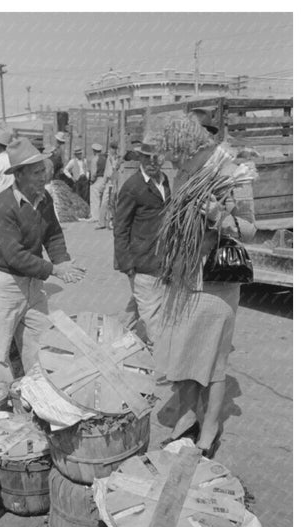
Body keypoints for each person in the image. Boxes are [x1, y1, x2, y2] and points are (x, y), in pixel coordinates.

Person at [152, 114, 257, 457]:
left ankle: (209, 430)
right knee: (183, 356)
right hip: (183, 278)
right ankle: (188, 421)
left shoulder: (232, 172)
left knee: (213, 364)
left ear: (189, 146)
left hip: (215, 284)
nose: (172, 162)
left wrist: (217, 216)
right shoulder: (184, 173)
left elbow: (252, 230)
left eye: (175, 155)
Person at [0, 137, 86, 383]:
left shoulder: (44, 198)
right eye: (37, 172)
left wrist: (64, 262)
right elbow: (15, 256)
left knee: (40, 340)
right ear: (19, 175)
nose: (43, 177)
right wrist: (54, 270)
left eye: (44, 171)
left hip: (32, 283)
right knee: (0, 351)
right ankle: (4, 403)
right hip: (3, 283)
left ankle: (37, 394)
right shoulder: (3, 206)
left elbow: (53, 233)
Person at [113, 142, 171, 353]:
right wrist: (126, 264)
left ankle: (114, 345)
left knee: (139, 306)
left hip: (160, 260)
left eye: (156, 158)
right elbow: (120, 227)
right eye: (146, 158)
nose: (151, 163)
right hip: (141, 261)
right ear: (140, 158)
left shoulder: (164, 183)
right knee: (153, 317)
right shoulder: (132, 187)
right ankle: (160, 362)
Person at [97, 141, 120, 229]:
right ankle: (102, 222)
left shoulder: (116, 159)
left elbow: (108, 173)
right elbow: (107, 173)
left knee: (110, 202)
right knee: (107, 202)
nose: (112, 150)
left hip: (113, 182)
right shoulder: (110, 159)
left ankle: (110, 221)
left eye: (113, 149)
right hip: (110, 182)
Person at [88, 143, 107, 222]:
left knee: (94, 198)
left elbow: (94, 172)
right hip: (104, 179)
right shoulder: (104, 158)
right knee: (102, 198)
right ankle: (102, 216)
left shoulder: (95, 159)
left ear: (94, 151)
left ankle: (95, 216)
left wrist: (91, 181)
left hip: (97, 179)